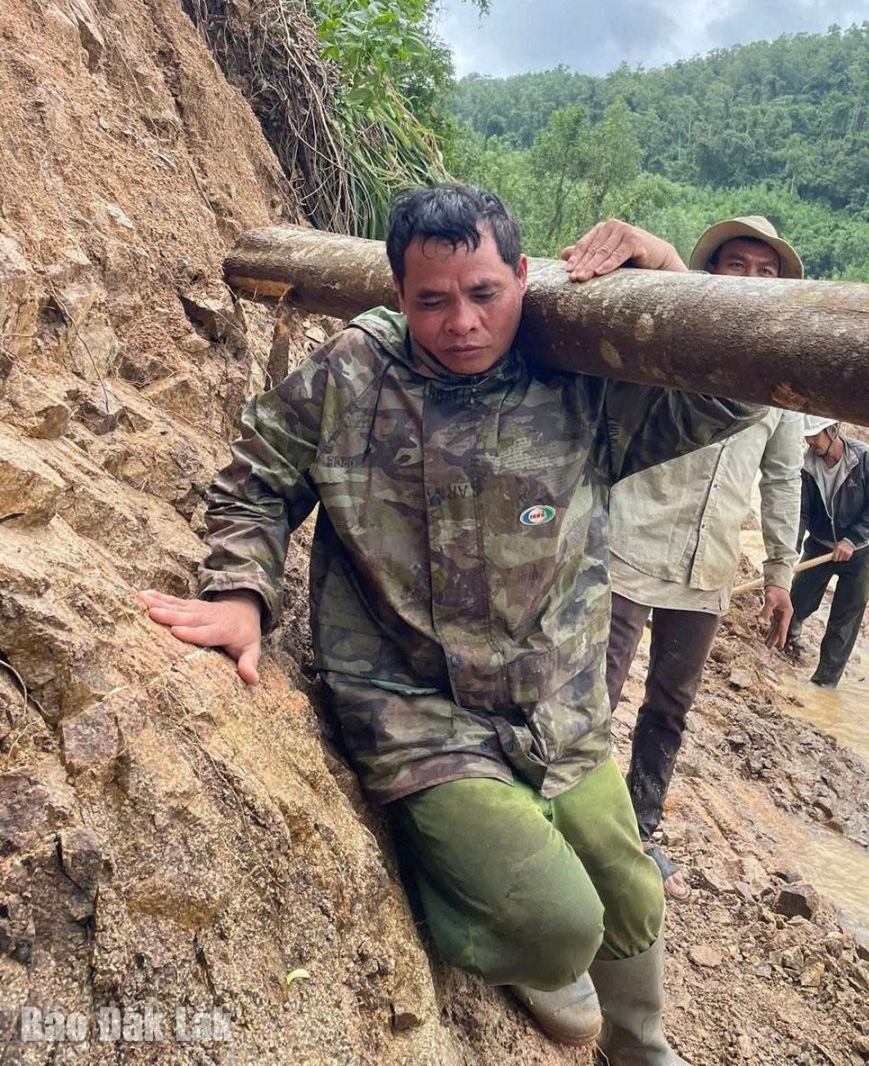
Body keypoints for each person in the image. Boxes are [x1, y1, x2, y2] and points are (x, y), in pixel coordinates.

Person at [139, 184, 763, 1064]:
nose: (463, 322)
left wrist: (669, 272)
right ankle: (490, 918)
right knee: (557, 929)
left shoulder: (575, 377)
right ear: (399, 293)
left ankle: (642, 1048)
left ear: (522, 275)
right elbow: (257, 477)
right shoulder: (354, 374)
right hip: (414, 707)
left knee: (630, 894)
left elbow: (732, 395)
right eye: (432, 300)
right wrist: (241, 592)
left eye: (485, 293)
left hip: (555, 703)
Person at [564, 216, 803, 901]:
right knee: (596, 691)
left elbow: (782, 478)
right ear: (708, 274)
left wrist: (780, 573)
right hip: (631, 543)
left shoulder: (782, 382)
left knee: (671, 705)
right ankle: (575, 825)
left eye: (766, 272)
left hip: (709, 565)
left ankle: (639, 831)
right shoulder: (672, 344)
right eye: (737, 266)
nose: (751, 280)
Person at [785, 415, 869, 687]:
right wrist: (788, 554)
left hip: (861, 552)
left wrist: (852, 540)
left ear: (832, 431)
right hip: (820, 544)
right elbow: (800, 514)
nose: (810, 441)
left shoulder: (866, 459)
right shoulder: (806, 466)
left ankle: (824, 682)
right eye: (807, 436)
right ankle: (789, 638)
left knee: (844, 620)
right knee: (798, 599)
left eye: (814, 435)